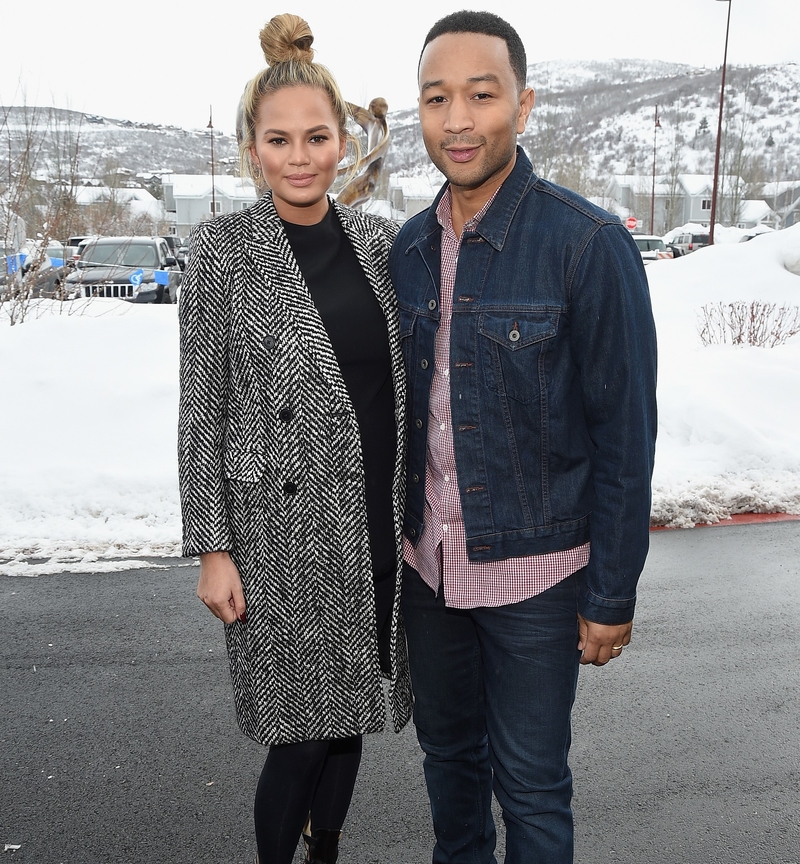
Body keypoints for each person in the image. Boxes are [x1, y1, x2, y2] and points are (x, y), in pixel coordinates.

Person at [388, 10, 657, 864]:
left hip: (539, 578)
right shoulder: (407, 250)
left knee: (533, 786)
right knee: (448, 768)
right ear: (419, 113)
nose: (457, 119)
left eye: (480, 94)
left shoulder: (588, 243)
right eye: (437, 99)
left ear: (524, 103)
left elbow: (625, 435)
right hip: (429, 573)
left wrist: (611, 596)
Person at [177, 14, 412, 864]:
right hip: (275, 535)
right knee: (300, 729)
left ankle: (328, 849)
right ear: (252, 148)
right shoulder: (219, 252)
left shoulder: (381, 242)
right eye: (280, 140)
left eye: (318, 136)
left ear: (344, 143)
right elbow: (201, 411)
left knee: (351, 716)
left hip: (373, 521)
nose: (300, 155)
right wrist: (212, 547)